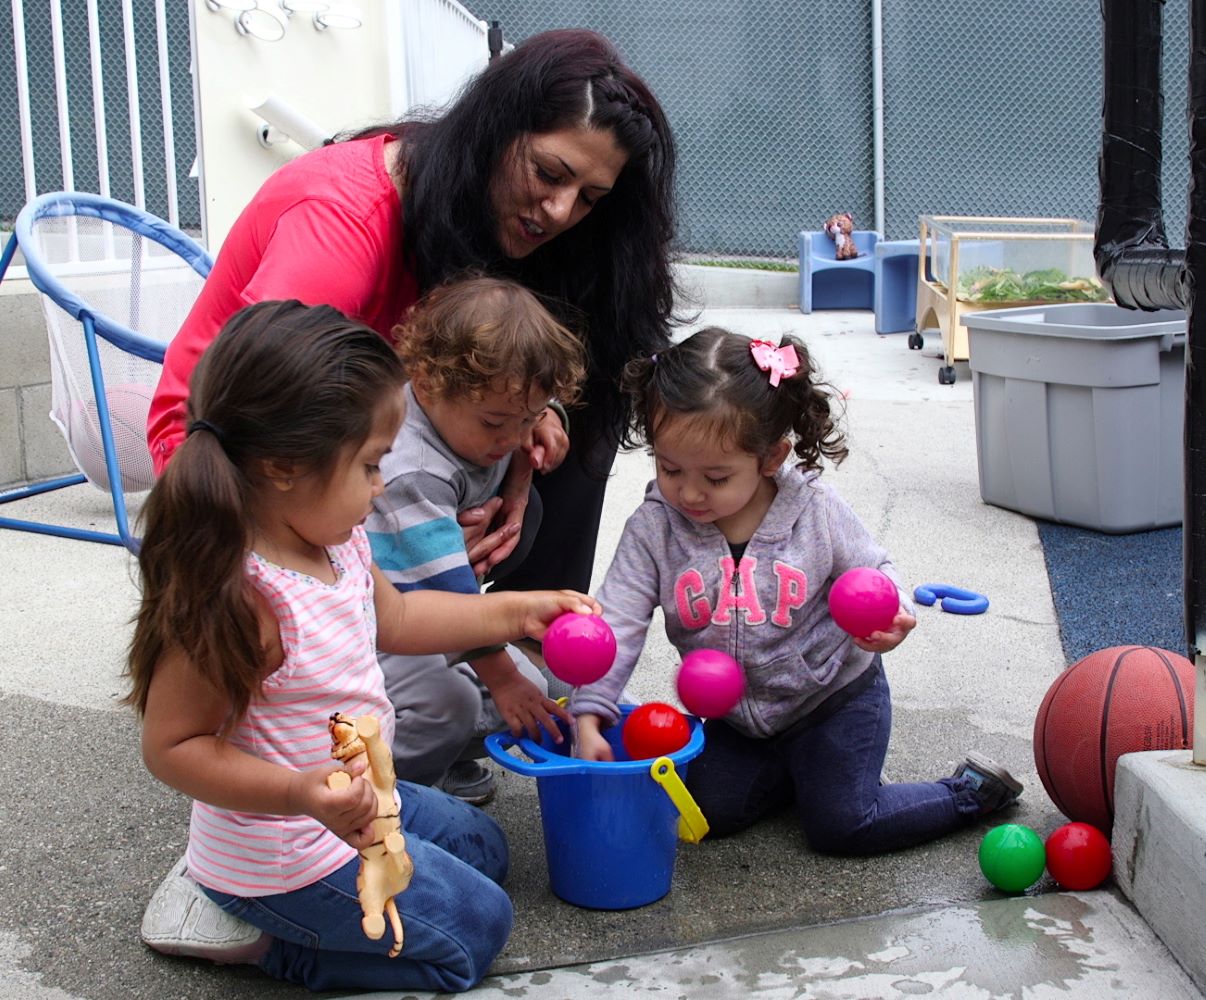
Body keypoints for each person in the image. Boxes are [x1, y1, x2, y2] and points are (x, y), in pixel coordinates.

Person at [127, 300, 601, 992]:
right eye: (371, 466)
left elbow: (401, 618)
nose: (382, 485)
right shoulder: (240, 595)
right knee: (478, 931)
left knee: (488, 850)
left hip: (356, 804)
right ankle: (256, 938)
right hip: (287, 852)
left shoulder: (336, 539)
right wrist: (298, 791)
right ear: (285, 466)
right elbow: (171, 747)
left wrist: (514, 612)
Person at [147, 27, 677, 599]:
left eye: (590, 198)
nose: (560, 210)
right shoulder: (342, 227)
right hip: (235, 463)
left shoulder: (488, 210)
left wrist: (522, 457)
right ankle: (439, 626)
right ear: (496, 132)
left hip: (377, 446)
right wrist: (396, 543)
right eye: (549, 174)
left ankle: (529, 639)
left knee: (583, 403)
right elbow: (255, 422)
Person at [570, 327, 1023, 855]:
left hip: (832, 699)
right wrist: (589, 712)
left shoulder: (814, 511)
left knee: (843, 825)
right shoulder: (654, 529)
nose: (689, 492)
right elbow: (616, 624)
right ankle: (799, 776)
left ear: (770, 456)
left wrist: (893, 615)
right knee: (704, 812)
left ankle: (969, 793)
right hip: (739, 718)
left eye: (715, 477)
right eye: (670, 469)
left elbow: (875, 570)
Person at [367, 276, 586, 801]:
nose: (514, 439)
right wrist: (504, 677)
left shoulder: (483, 409)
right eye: (496, 423)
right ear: (426, 381)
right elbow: (448, 599)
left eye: (528, 419)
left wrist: (547, 419)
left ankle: (434, 753)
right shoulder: (413, 471)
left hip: (428, 609)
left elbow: (526, 406)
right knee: (460, 703)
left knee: (540, 691)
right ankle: (386, 793)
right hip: (379, 632)